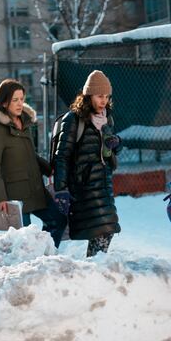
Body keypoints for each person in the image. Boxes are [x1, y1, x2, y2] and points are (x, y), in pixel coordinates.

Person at [0, 79, 63, 246]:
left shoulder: (25, 122)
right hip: (15, 195)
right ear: (4, 102)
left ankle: (45, 256)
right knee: (24, 241)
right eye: (15, 100)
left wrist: (48, 169)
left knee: (58, 221)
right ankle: (30, 266)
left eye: (22, 99)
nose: (20, 104)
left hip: (35, 189)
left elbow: (29, 155)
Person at [52, 70, 121, 257]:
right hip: (83, 186)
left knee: (107, 230)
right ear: (88, 95)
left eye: (107, 96)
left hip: (103, 183)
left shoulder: (107, 118)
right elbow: (62, 156)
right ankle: (94, 269)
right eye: (99, 96)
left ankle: (94, 268)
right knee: (103, 230)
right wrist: (61, 188)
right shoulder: (73, 119)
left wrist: (115, 144)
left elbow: (106, 152)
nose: (104, 101)